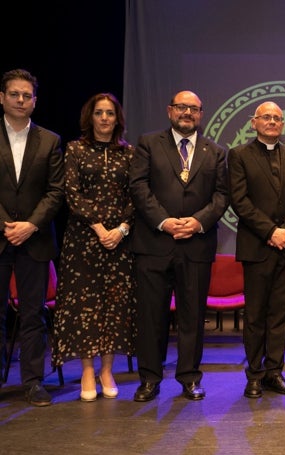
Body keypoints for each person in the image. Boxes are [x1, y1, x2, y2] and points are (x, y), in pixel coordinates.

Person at [129, 90, 229, 401]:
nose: (187, 113)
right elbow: (138, 186)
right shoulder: (148, 143)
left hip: (196, 245)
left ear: (201, 114)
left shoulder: (216, 152)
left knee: (193, 316)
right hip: (154, 242)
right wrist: (164, 221)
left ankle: (189, 377)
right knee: (151, 315)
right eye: (181, 107)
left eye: (194, 109)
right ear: (170, 110)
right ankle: (149, 378)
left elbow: (222, 196)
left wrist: (198, 221)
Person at [52, 93, 136, 402]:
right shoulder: (75, 150)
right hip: (83, 240)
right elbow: (71, 193)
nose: (104, 118)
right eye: (99, 113)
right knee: (84, 307)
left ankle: (107, 370)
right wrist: (101, 229)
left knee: (113, 306)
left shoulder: (130, 154)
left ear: (117, 119)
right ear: (91, 117)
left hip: (120, 241)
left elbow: (135, 196)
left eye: (109, 113)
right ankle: (87, 370)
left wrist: (122, 229)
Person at [228, 101, 285, 399]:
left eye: (277, 118)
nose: (272, 122)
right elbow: (240, 201)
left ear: (283, 124)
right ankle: (254, 375)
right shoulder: (239, 155)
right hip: (257, 247)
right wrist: (270, 232)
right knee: (255, 315)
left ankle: (274, 372)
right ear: (254, 122)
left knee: (280, 315)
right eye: (266, 117)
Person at [0, 68, 64, 406]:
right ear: (2, 97)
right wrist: (7, 225)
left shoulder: (50, 141)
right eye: (15, 94)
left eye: (27, 95)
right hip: (0, 237)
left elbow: (56, 192)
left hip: (35, 241)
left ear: (35, 101)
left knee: (33, 314)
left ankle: (33, 382)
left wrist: (29, 225)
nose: (21, 100)